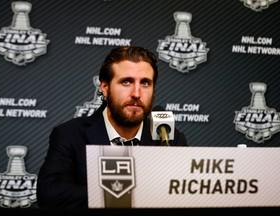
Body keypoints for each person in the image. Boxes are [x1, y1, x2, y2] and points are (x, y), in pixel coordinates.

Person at [36, 45, 188, 209]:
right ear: (105, 88)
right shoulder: (70, 134)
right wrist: (122, 195)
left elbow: (187, 197)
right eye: (126, 82)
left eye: (145, 83)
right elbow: (50, 193)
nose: (136, 93)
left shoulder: (169, 139)